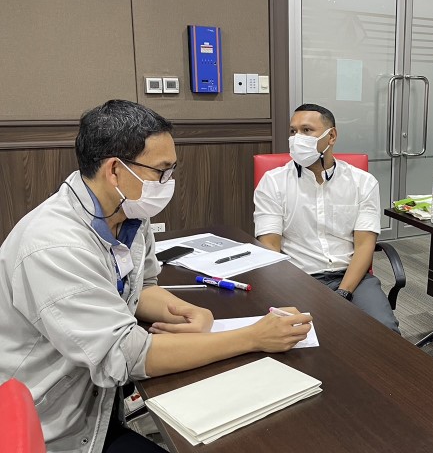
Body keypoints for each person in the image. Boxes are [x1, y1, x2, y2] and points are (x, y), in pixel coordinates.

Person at [0, 100, 312, 453]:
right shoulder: (54, 246)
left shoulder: (127, 211)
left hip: (98, 402)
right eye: (161, 171)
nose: (168, 182)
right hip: (48, 428)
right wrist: (253, 337)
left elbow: (141, 287)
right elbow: (124, 357)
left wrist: (188, 311)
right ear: (115, 170)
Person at [254, 103, 400, 333]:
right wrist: (287, 288)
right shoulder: (273, 182)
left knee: (384, 331)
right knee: (305, 337)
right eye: (293, 131)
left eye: (306, 130)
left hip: (352, 276)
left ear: (331, 136)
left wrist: (344, 292)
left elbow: (364, 245)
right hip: (299, 277)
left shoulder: (362, 182)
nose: (297, 138)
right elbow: (270, 245)